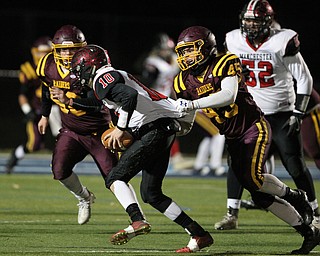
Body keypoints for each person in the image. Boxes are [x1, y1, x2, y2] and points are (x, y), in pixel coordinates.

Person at [173, 25, 320, 254]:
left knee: (253, 179)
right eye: (183, 51)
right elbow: (187, 120)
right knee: (260, 196)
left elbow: (227, 95)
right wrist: (175, 126)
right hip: (232, 135)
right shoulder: (181, 81)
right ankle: (308, 232)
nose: (186, 56)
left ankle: (294, 195)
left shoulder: (225, 62)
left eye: (191, 49)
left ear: (207, 48)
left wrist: (192, 104)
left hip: (253, 127)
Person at [69, 44, 213, 253]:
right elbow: (106, 102)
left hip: (154, 129)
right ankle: (199, 234)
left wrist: (120, 129)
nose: (77, 73)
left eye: (79, 67)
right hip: (164, 127)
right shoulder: (108, 79)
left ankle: (137, 220)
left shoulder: (102, 78)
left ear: (89, 65)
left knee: (114, 178)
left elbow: (129, 97)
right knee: (151, 194)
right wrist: (75, 103)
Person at [215, 0, 320, 231]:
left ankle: (314, 213)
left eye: (255, 20)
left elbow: (304, 79)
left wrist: (297, 112)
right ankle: (231, 214)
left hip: (281, 113)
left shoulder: (281, 41)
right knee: (237, 163)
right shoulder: (233, 39)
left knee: (295, 166)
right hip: (251, 116)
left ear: (267, 21)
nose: (251, 25)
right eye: (247, 20)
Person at [35, 25, 122, 226]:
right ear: (55, 49)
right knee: (59, 170)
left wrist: (70, 101)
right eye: (63, 49)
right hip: (72, 129)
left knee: (115, 178)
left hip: (99, 129)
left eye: (72, 49)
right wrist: (44, 114)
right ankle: (84, 197)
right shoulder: (47, 65)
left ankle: (136, 217)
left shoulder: (91, 66)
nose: (67, 54)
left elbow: (98, 101)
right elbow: (47, 88)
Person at [5, 36, 61, 174]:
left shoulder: (59, 66)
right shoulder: (29, 69)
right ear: (34, 52)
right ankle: (15, 156)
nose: (44, 55)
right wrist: (27, 111)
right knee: (34, 144)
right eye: (41, 52)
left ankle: (63, 167)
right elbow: (22, 94)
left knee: (64, 137)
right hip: (39, 109)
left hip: (58, 107)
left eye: (47, 52)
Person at [140, 33, 190, 171]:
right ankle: (174, 157)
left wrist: (177, 97)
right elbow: (146, 84)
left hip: (166, 99)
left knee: (168, 128)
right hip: (153, 100)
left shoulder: (174, 60)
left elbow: (174, 81)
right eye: (163, 49)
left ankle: (175, 157)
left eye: (168, 49)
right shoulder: (152, 63)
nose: (166, 52)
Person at [192, 111, 226, 176]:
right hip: (201, 110)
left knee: (210, 137)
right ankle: (215, 166)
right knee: (218, 134)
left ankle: (199, 166)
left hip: (203, 110)